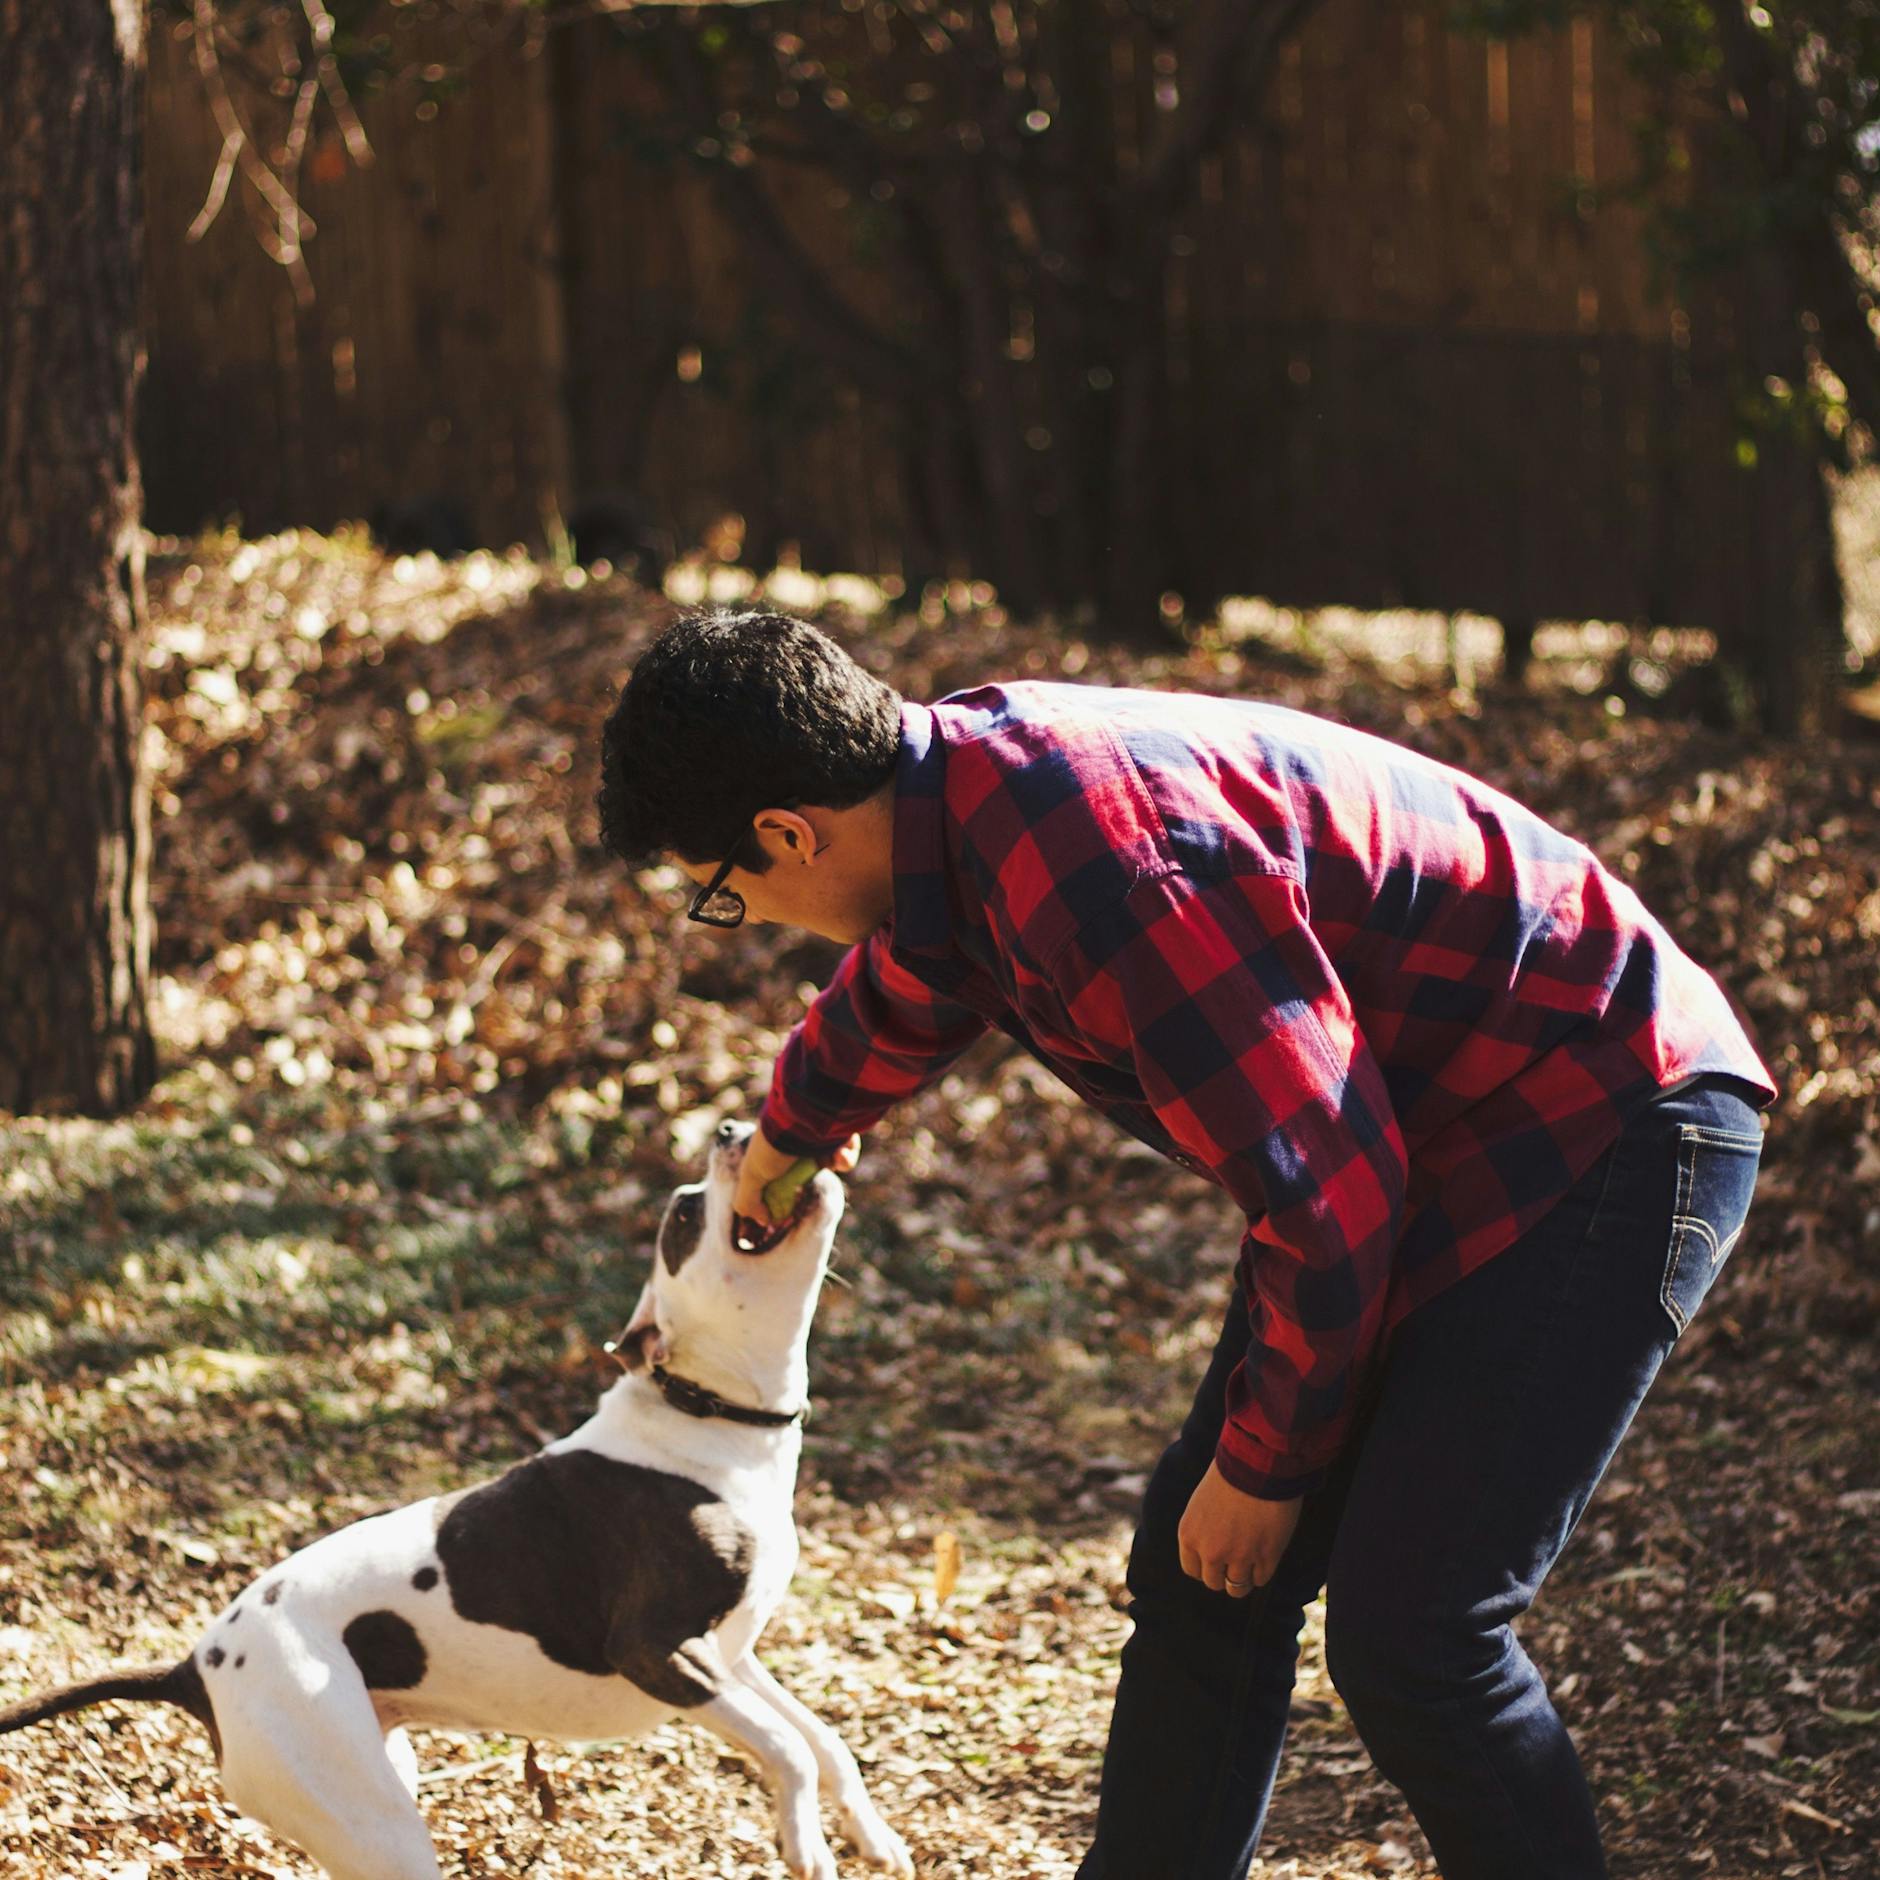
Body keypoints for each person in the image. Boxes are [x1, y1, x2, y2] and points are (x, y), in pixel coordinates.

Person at [597, 606, 1774, 1880]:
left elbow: (1328, 1199)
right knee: (1202, 1570)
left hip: (1601, 1114)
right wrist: (787, 1132)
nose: (748, 912)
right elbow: (912, 981)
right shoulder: (968, 804)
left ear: (787, 830)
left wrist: (1267, 1467)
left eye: (728, 888)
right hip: (1432, 1131)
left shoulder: (1110, 873)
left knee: (1415, 1635)